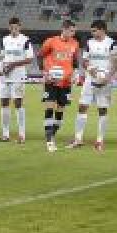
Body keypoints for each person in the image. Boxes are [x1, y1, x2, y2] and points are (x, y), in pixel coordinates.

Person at [69, 20, 117, 152]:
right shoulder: (89, 43)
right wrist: (90, 68)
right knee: (82, 107)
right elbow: (84, 61)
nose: (92, 33)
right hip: (90, 80)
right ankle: (78, 139)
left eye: (94, 30)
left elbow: (115, 63)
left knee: (102, 109)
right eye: (92, 31)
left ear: (102, 30)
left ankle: (99, 140)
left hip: (105, 81)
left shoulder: (112, 43)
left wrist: (107, 78)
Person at [39, 20, 80, 151]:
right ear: (64, 29)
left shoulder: (75, 43)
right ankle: (49, 140)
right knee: (50, 107)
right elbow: (40, 56)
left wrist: (76, 73)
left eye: (74, 31)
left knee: (60, 112)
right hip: (51, 81)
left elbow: (75, 61)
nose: (73, 33)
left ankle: (53, 134)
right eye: (72, 31)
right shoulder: (51, 41)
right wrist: (44, 73)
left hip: (66, 82)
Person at [0, 17, 35, 143]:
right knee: (4, 103)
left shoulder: (25, 40)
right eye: (11, 27)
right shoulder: (4, 40)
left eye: (16, 27)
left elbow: (29, 59)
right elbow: (3, 57)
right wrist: (0, 69)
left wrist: (12, 65)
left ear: (20, 27)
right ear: (9, 28)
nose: (14, 29)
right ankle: (5, 134)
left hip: (18, 75)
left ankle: (22, 135)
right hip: (5, 76)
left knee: (18, 103)